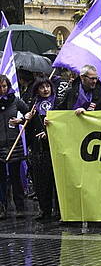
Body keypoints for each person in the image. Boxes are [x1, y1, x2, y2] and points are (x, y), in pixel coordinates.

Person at [25, 77, 57, 220]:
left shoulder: (58, 104)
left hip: (54, 148)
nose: (45, 90)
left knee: (55, 182)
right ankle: (45, 210)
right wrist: (26, 119)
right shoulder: (33, 105)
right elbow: (28, 129)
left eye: (48, 86)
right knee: (41, 181)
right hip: (38, 149)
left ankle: (58, 211)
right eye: (42, 87)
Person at [0, 74, 30, 218]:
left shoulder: (15, 101)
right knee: (1, 179)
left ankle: (20, 207)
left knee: (15, 177)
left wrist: (21, 119)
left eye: (4, 86)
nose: (2, 89)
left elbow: (29, 112)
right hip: (0, 145)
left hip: (14, 144)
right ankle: (2, 207)